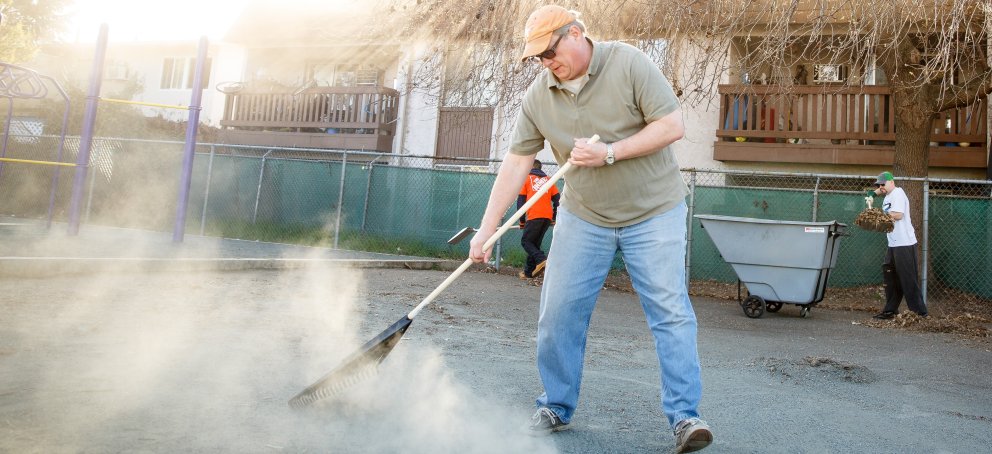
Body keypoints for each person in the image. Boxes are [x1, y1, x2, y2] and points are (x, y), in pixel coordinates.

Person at [468, 5, 712, 453]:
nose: (546, 63)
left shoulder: (629, 62)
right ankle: (556, 405)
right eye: (538, 57)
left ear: (576, 34)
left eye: (550, 51)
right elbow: (517, 161)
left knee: (670, 311)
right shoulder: (539, 96)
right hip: (584, 217)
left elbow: (671, 125)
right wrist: (486, 230)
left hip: (654, 211)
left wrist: (612, 152)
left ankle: (685, 417)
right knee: (558, 312)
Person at [871, 171, 928, 319]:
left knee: (908, 278)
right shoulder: (887, 195)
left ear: (891, 182)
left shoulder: (898, 193)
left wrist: (879, 215)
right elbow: (879, 190)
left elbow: (898, 215)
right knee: (890, 275)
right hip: (893, 243)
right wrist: (872, 194)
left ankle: (919, 313)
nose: (881, 187)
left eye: (883, 184)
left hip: (905, 243)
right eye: (879, 184)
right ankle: (890, 310)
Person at [517, 160, 559, 279]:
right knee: (534, 243)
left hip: (534, 215)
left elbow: (521, 203)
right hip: (547, 217)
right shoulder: (549, 180)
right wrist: (554, 217)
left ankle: (542, 259)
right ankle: (528, 272)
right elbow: (558, 200)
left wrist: (522, 221)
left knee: (526, 242)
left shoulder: (526, 179)